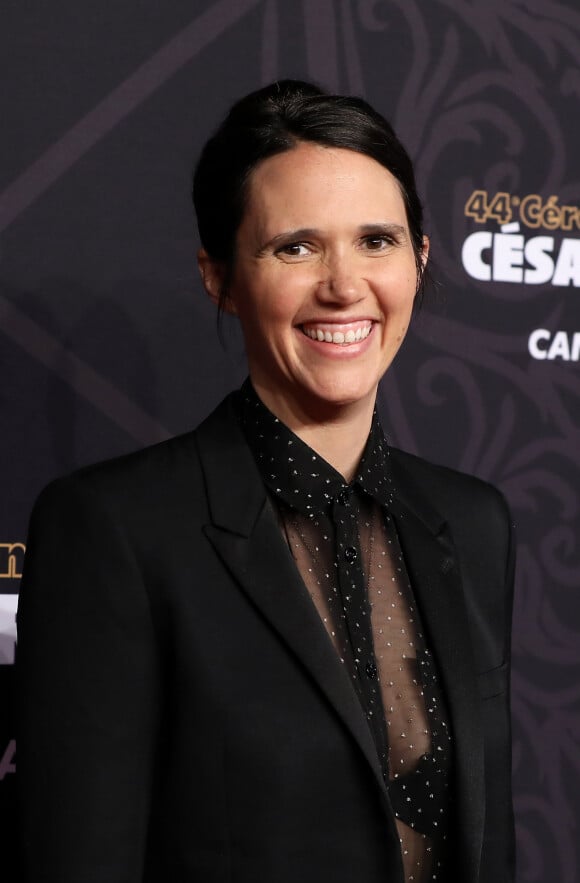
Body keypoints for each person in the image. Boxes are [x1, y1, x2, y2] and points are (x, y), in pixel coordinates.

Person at [16, 80, 515, 883]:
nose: (344, 285)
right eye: (296, 246)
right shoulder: (117, 529)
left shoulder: (473, 522)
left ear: (421, 260)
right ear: (218, 275)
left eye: (377, 241)